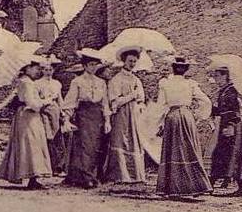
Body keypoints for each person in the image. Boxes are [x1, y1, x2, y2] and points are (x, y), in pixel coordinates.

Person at [156, 56, 213, 197]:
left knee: (174, 150)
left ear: (173, 68)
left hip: (172, 116)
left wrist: (159, 123)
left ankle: (172, 188)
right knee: (189, 149)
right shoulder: (190, 84)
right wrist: (199, 115)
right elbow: (206, 101)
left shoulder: (165, 83)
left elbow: (161, 105)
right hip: (186, 116)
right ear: (185, 70)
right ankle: (194, 186)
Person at [0, 59, 53, 189]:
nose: (38, 70)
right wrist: (45, 101)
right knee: (31, 143)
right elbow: (32, 103)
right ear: (27, 68)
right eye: (35, 68)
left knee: (31, 143)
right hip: (28, 116)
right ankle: (32, 177)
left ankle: (33, 177)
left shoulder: (25, 82)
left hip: (26, 115)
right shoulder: (27, 83)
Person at [62, 50, 111, 189]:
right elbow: (70, 101)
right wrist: (66, 119)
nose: (93, 67)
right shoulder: (77, 81)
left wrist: (107, 121)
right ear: (84, 66)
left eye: (95, 64)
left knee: (96, 147)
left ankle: (92, 175)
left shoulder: (101, 82)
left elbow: (105, 102)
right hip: (83, 114)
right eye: (90, 64)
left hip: (98, 116)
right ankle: (86, 177)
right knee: (86, 146)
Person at [103, 48, 146, 185]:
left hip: (134, 115)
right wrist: (131, 96)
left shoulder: (137, 80)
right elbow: (114, 101)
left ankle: (135, 175)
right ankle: (120, 175)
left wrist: (139, 101)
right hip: (121, 114)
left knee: (134, 140)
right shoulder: (116, 80)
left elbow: (141, 99)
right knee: (121, 139)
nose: (132, 64)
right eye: (130, 61)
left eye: (134, 61)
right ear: (124, 61)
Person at [209, 66, 242, 197]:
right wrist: (213, 108)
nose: (216, 79)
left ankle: (240, 187)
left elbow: (234, 111)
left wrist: (230, 126)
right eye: (215, 77)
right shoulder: (224, 91)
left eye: (218, 76)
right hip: (226, 124)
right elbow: (221, 110)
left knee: (233, 154)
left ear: (225, 76)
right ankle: (213, 183)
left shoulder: (231, 91)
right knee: (224, 154)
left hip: (233, 126)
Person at [35, 55, 66, 174]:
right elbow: (37, 99)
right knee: (48, 137)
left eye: (50, 70)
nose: (48, 72)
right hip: (44, 111)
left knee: (58, 137)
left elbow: (60, 99)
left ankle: (58, 166)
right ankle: (47, 165)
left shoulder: (57, 83)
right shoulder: (37, 83)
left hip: (55, 111)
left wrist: (62, 112)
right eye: (46, 70)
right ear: (42, 70)